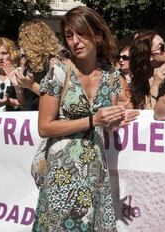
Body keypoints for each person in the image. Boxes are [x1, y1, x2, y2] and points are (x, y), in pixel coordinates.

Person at [34, 6, 138, 231]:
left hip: (94, 169)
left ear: (98, 37)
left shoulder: (111, 75)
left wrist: (114, 120)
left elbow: (107, 122)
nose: (75, 41)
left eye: (81, 34)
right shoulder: (59, 73)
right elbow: (44, 127)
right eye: (69, 35)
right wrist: (93, 121)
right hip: (63, 170)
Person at [15, 19, 60, 111]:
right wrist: (18, 86)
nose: (20, 44)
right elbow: (23, 103)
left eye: (23, 40)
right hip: (29, 120)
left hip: (45, 119)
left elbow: (55, 96)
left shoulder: (52, 62)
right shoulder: (28, 63)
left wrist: (31, 85)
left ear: (34, 40)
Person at [129, 30, 165, 109]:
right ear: (149, 56)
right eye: (161, 47)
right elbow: (147, 113)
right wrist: (155, 85)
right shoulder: (140, 80)